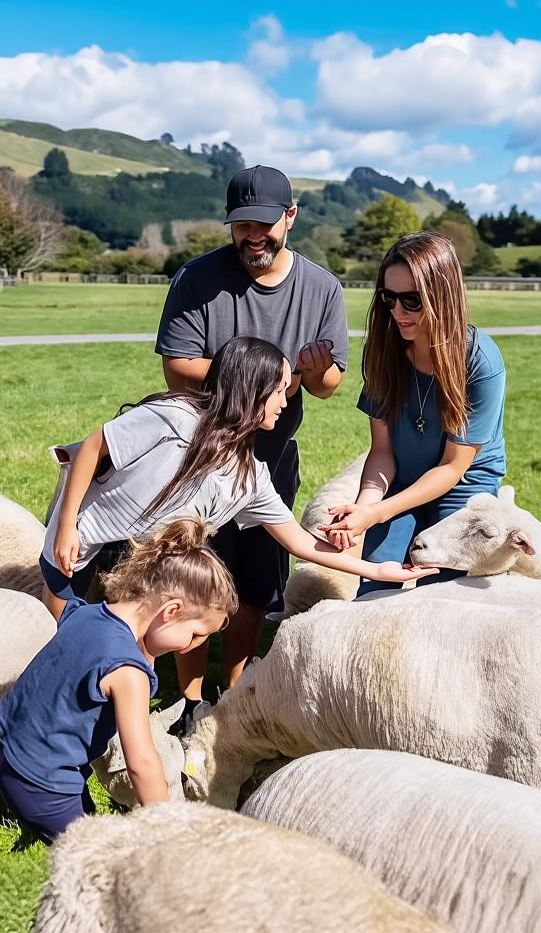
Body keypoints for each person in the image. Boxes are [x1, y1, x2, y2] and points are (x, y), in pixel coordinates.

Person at [42, 336, 429, 620]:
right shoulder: (175, 417)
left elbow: (298, 542)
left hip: (143, 562)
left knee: (123, 643)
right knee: (57, 634)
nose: (284, 401)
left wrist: (377, 570)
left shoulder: (249, 477)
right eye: (279, 390)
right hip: (81, 541)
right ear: (251, 392)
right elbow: (94, 446)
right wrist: (65, 528)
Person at [156, 164, 349, 712]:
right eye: (242, 224)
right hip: (200, 452)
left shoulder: (321, 288)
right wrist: (264, 375)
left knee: (257, 583)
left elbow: (331, 385)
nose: (254, 235)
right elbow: (177, 367)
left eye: (265, 223)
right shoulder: (197, 279)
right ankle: (190, 698)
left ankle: (234, 692)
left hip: (272, 453)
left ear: (290, 218)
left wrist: (313, 372)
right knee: (193, 572)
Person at [0, 518, 231, 842]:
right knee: (100, 864)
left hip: (12, 757)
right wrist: (168, 828)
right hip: (46, 782)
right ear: (171, 610)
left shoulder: (86, 613)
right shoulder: (128, 672)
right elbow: (142, 763)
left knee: (88, 834)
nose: (191, 646)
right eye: (196, 635)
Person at [319, 231, 507, 595]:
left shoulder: (481, 361)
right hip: (401, 479)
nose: (397, 312)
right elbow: (383, 452)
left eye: (412, 301)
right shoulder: (385, 352)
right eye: (389, 298)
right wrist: (364, 509)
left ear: (443, 297)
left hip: (463, 486)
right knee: (376, 586)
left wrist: (378, 513)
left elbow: (453, 467)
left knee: (442, 596)